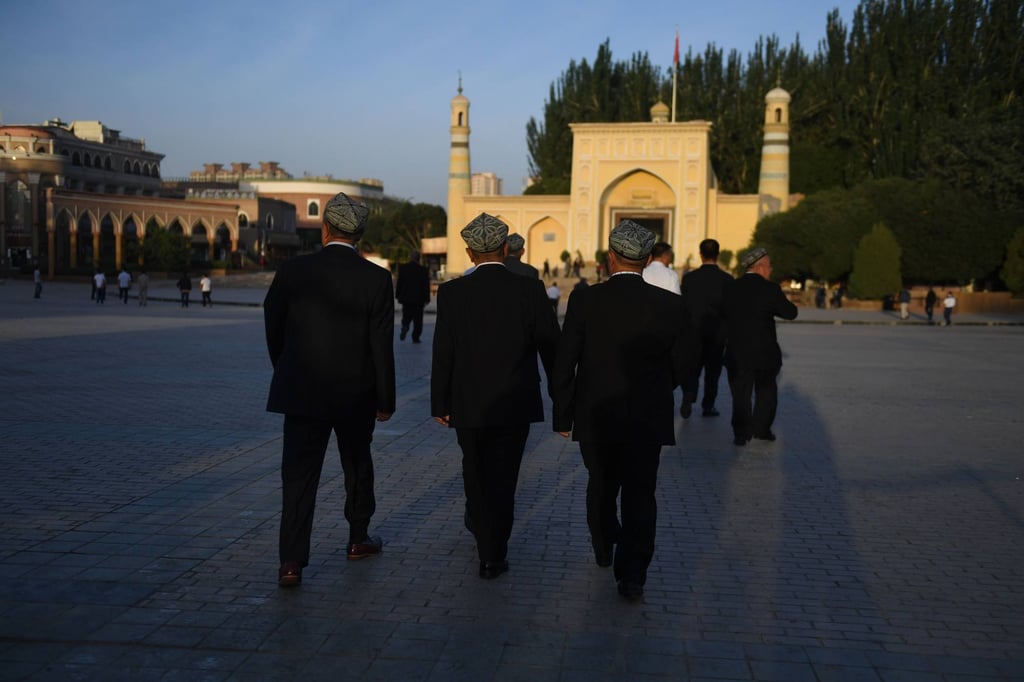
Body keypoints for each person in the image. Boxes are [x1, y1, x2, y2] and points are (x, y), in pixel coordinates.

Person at [552, 220, 692, 601]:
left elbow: (566, 360)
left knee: (601, 484)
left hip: (596, 414)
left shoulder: (585, 300)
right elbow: (684, 362)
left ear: (610, 257)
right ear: (647, 260)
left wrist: (563, 414)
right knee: (640, 494)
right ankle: (632, 576)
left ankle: (602, 545)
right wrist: (662, 387)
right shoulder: (670, 304)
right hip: (647, 416)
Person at [264, 192, 396, 588]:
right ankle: (357, 538)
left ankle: (291, 561)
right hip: (355, 394)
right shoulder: (376, 278)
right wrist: (385, 399)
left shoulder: (293, 271)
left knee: (299, 476)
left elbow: (274, 324)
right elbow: (381, 345)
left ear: (325, 229)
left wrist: (286, 367)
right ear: (359, 235)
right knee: (357, 467)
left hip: (302, 390)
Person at [431, 213, 559, 580]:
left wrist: (440, 403)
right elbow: (551, 347)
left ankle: (481, 527)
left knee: (474, 469)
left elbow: (444, 352)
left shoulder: (453, 293)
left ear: (470, 253)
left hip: (468, 401)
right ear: (505, 249)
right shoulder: (530, 290)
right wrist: (561, 398)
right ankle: (493, 553)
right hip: (515, 401)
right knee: (505, 477)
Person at [722, 247, 798, 446]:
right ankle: (761, 429)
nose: (771, 270)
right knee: (766, 392)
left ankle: (741, 433)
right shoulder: (770, 289)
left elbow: (721, 314)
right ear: (761, 267)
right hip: (765, 352)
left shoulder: (731, 287)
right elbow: (790, 313)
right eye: (769, 266)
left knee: (740, 393)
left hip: (737, 351)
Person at [679, 238, 735, 418]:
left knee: (692, 369)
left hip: (694, 333)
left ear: (700, 254)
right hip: (717, 334)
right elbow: (730, 310)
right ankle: (708, 405)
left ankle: (689, 395)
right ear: (718, 255)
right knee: (713, 373)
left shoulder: (689, 279)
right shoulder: (727, 280)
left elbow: (683, 306)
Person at [395, 251, 431, 343]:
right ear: (419, 259)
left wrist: (398, 295)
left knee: (406, 315)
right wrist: (427, 298)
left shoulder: (403, 268)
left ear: (410, 258)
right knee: (418, 320)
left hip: (406, 298)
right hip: (419, 299)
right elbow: (426, 285)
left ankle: (405, 325)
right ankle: (415, 337)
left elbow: (399, 283)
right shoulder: (423, 270)